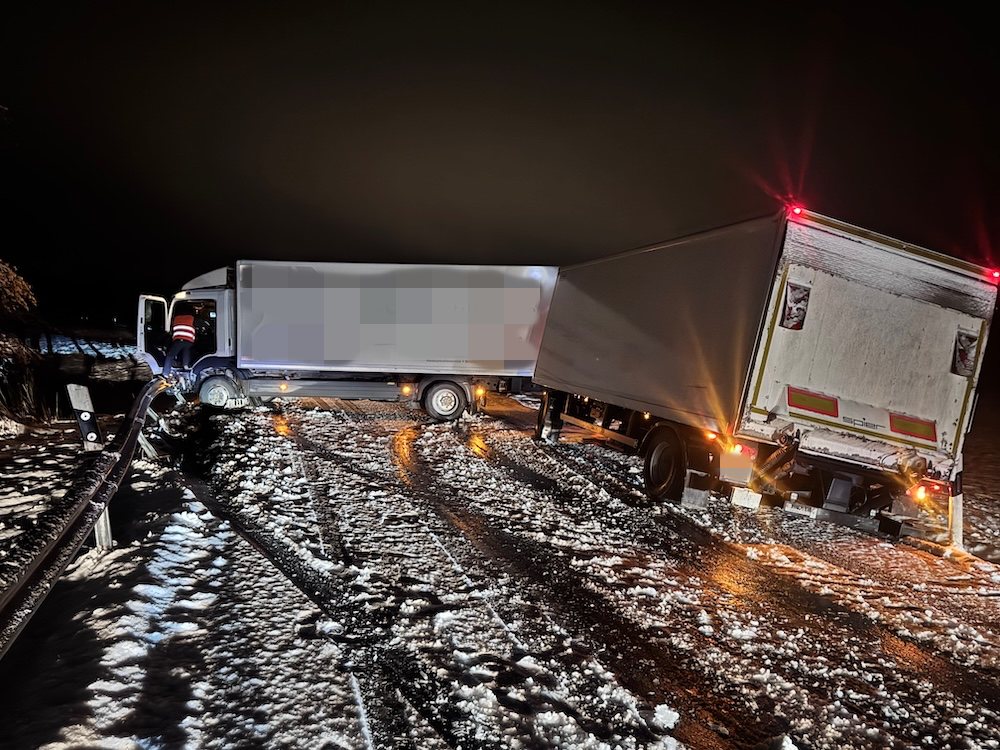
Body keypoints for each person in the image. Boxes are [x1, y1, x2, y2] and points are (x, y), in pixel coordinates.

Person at [162, 311, 196, 377]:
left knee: (170, 355)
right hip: (189, 341)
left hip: (180, 340)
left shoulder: (176, 320)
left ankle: (165, 373)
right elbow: (193, 333)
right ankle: (186, 365)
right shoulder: (191, 321)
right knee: (186, 351)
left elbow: (172, 332)